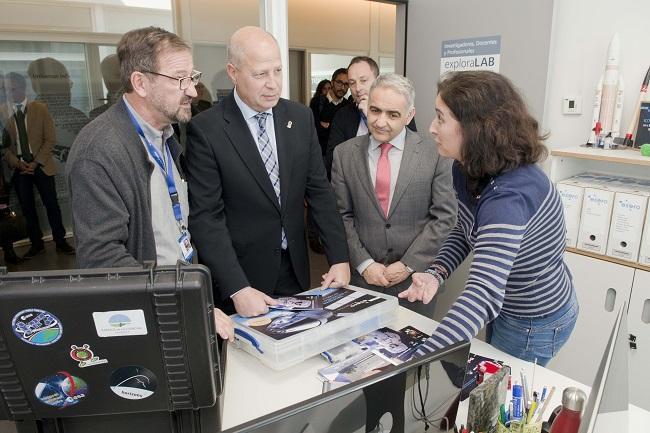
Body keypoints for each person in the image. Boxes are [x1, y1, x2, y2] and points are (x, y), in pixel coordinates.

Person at [399, 71, 578, 366]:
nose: (431, 128)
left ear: (474, 128)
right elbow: (466, 228)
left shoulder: (509, 197)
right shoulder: (465, 166)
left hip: (533, 318)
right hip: (506, 303)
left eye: (441, 118)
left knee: (497, 394)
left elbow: (483, 293)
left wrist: (418, 362)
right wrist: (436, 272)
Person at [66, 26, 233, 341]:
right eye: (180, 79)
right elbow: (102, 257)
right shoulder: (100, 151)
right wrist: (183, 301)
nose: (194, 91)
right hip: (149, 316)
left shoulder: (167, 135)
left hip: (181, 300)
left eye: (193, 77)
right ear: (140, 83)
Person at [186, 26, 350, 318]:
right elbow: (206, 218)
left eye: (277, 71)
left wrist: (338, 257)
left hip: (295, 271)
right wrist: (237, 287)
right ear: (233, 72)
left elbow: (320, 192)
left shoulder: (299, 117)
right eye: (261, 74)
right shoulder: (207, 130)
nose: (273, 84)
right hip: (242, 278)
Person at [331, 74, 456, 317]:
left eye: (393, 114)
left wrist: (408, 264)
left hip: (415, 283)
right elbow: (340, 215)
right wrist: (365, 264)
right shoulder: (344, 154)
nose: (380, 121)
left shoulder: (435, 152)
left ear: (409, 116)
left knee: (413, 352)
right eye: (375, 110)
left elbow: (444, 217)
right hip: (362, 282)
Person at [2, 72, 75, 259]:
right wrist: (17, 163)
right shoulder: (3, 111)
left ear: (22, 87)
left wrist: (35, 162)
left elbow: (50, 139)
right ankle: (37, 244)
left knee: (52, 205)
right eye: (6, 90)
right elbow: (4, 146)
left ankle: (60, 241)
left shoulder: (40, 108)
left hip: (41, 165)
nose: (9, 92)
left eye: (12, 89)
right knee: (27, 209)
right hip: (19, 168)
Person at [325, 57, 416, 177]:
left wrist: (371, 116)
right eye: (352, 83)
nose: (358, 88)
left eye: (363, 80)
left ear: (377, 80)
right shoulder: (342, 116)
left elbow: (412, 153)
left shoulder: (397, 111)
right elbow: (333, 161)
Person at [311, 68, 349, 156]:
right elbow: (314, 129)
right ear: (332, 82)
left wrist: (325, 125)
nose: (342, 87)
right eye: (339, 82)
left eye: (346, 84)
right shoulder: (317, 102)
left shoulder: (348, 105)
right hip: (320, 155)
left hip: (340, 156)